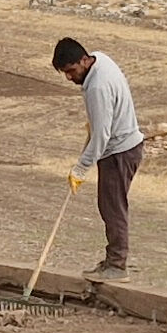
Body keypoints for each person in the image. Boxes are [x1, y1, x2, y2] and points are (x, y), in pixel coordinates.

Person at [51, 37, 142, 278]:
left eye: (71, 71)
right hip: (122, 146)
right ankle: (113, 259)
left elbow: (101, 136)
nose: (69, 77)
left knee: (112, 208)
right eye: (65, 73)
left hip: (119, 151)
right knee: (110, 205)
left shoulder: (97, 87)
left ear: (84, 60)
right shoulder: (100, 59)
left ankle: (117, 265)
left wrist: (81, 168)